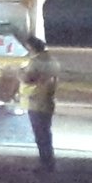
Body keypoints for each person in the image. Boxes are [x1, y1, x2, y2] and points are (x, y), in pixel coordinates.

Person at [21, 38, 62, 169]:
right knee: (46, 132)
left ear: (32, 48)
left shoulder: (36, 62)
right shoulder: (53, 61)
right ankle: (48, 161)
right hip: (48, 100)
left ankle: (46, 162)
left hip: (36, 100)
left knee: (40, 134)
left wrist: (19, 72)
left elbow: (28, 78)